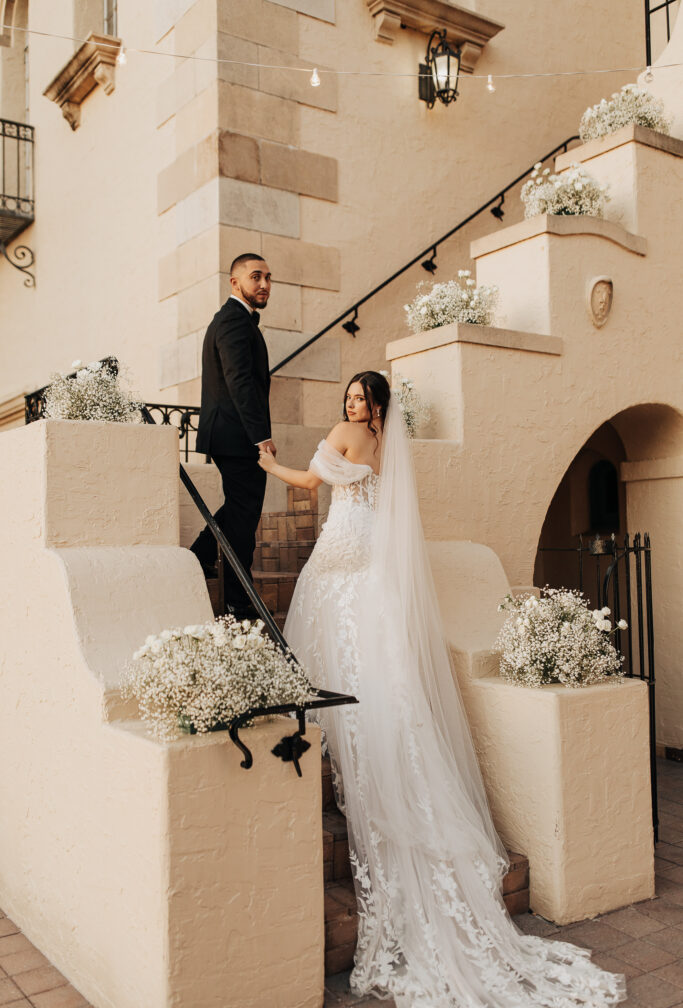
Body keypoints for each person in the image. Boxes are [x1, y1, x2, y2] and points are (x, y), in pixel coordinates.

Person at [258, 370, 626, 1007]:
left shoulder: (345, 435)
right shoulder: (389, 448)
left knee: (335, 654)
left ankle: (348, 741)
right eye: (347, 397)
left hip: (343, 559)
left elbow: (311, 484)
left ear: (373, 406)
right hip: (370, 558)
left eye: (359, 397)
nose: (351, 405)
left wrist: (268, 462)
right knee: (373, 666)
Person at [192, 253, 275, 618]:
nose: (264, 284)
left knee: (239, 507)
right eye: (256, 276)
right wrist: (261, 437)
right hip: (237, 435)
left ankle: (200, 556)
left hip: (232, 433)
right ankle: (240, 601)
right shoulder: (233, 321)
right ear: (235, 281)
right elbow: (239, 382)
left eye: (268, 278)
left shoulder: (237, 320)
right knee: (245, 513)